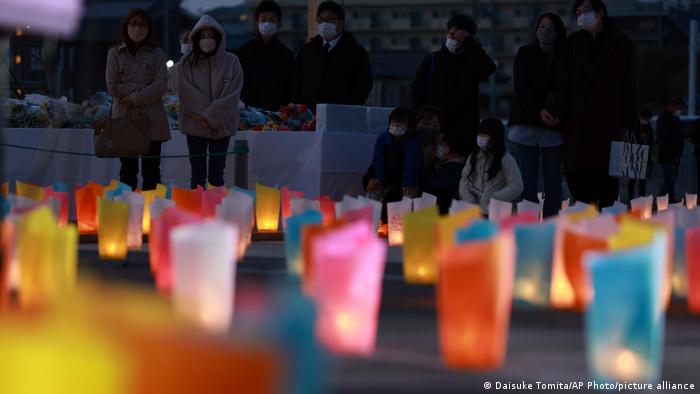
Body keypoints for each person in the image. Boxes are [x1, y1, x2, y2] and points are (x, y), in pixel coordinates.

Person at [544, 0, 639, 209]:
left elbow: (630, 85)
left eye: (585, 11)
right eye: (577, 13)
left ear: (600, 13)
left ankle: (605, 230)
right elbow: (564, 82)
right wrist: (556, 111)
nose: (581, 16)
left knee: (607, 184)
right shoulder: (574, 42)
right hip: (578, 123)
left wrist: (631, 125)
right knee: (579, 182)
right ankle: (586, 231)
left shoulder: (622, 43)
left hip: (609, 121)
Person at [410, 14, 496, 154]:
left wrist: (469, 42)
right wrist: (417, 119)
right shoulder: (432, 60)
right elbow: (417, 91)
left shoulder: (472, 61)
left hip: (464, 131)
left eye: (458, 36)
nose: (453, 38)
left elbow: (488, 69)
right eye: (451, 33)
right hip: (433, 126)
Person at [508, 13, 566, 218]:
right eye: (541, 26)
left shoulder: (566, 56)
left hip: (555, 126)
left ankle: (551, 224)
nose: (545, 30)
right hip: (527, 124)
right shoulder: (525, 53)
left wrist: (557, 112)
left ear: (559, 31)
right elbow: (521, 88)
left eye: (550, 27)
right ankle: (528, 226)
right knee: (527, 184)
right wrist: (539, 110)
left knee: (553, 184)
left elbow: (568, 88)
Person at [105, 8, 170, 191]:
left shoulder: (157, 53)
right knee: (127, 171)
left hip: (152, 120)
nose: (138, 28)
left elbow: (160, 86)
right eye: (134, 24)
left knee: (152, 172)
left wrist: (133, 97)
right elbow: (112, 86)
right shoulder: (114, 53)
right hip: (124, 119)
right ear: (126, 27)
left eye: (142, 24)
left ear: (149, 28)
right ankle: (128, 213)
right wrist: (143, 87)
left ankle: (152, 214)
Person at [177, 15, 243, 189]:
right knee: (197, 176)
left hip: (222, 127)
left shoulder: (232, 62)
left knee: (217, 176)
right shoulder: (186, 63)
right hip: (194, 126)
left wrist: (213, 117)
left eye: (211, 36)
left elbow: (232, 95)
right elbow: (186, 94)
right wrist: (207, 116)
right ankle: (197, 212)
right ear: (196, 39)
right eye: (203, 36)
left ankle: (215, 212)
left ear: (219, 38)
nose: (207, 40)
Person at [291, 0, 373, 109]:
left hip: (340, 116)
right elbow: (296, 81)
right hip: (309, 116)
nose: (325, 24)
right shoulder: (307, 50)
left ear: (341, 23)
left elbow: (363, 85)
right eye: (321, 20)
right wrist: (299, 106)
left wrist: (350, 108)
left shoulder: (356, 52)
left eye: (330, 19)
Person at [363, 107, 421, 222]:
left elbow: (411, 165)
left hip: (405, 183)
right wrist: (379, 178)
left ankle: (405, 224)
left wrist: (408, 183)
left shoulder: (412, 143)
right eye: (394, 122)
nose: (396, 125)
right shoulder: (383, 139)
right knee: (372, 195)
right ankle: (367, 221)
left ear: (410, 128)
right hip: (383, 179)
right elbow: (377, 160)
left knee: (408, 200)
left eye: (401, 123)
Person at [235, 0, 295, 111]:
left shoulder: (286, 55)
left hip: (276, 117)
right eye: (263, 20)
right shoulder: (243, 51)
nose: (267, 23)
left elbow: (291, 87)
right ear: (257, 23)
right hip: (247, 114)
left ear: (279, 24)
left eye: (272, 20)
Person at [459, 118, 524, 215]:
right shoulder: (473, 157)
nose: (481, 138)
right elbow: (464, 179)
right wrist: (469, 200)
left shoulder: (506, 159)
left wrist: (493, 198)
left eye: (486, 134)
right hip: (472, 212)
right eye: (480, 134)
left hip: (495, 213)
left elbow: (517, 186)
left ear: (496, 137)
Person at [422, 132, 467, 215]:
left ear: (452, 149)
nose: (440, 147)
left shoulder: (454, 167)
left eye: (444, 145)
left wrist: (425, 178)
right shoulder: (445, 164)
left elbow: (439, 187)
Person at [657, 98, 686, 203]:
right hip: (668, 155)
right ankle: (666, 200)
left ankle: (666, 200)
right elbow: (665, 138)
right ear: (672, 106)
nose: (680, 110)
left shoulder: (675, 119)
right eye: (679, 108)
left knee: (671, 180)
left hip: (673, 154)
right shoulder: (664, 119)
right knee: (669, 180)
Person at [628, 109, 654, 199]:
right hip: (635, 154)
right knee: (632, 179)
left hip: (645, 155)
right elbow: (631, 139)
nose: (646, 120)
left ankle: (641, 197)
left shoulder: (648, 126)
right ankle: (631, 198)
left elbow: (652, 140)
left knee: (642, 180)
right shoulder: (635, 126)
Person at [416, 105, 446, 178]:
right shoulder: (409, 141)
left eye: (435, 125)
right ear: (417, 123)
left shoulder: (443, 144)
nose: (430, 127)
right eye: (426, 124)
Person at [168, 29, 191, 94]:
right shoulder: (173, 70)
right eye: (185, 39)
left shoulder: (204, 68)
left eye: (191, 40)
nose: (188, 42)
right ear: (180, 41)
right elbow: (169, 91)